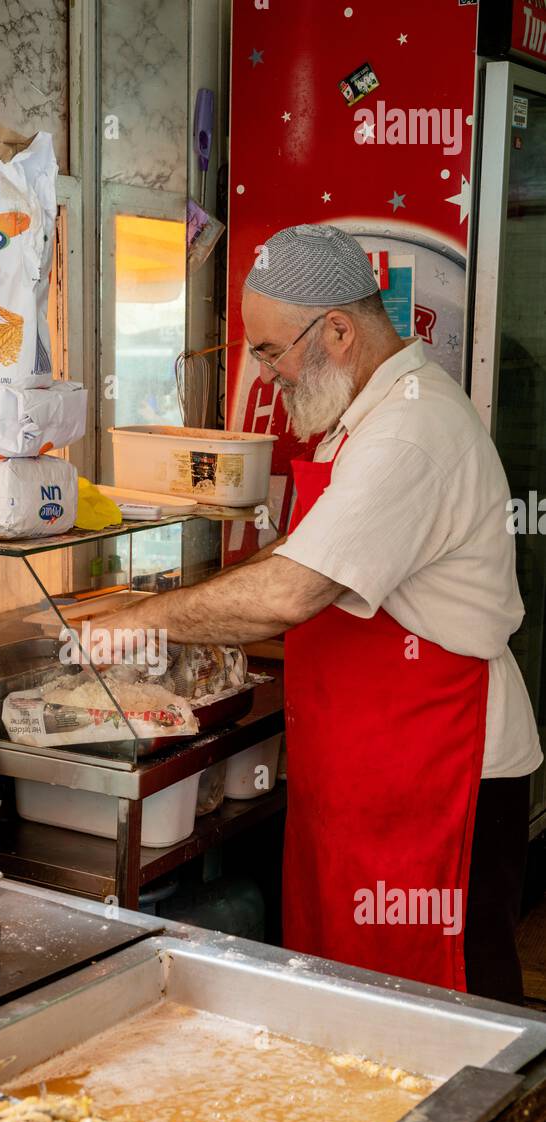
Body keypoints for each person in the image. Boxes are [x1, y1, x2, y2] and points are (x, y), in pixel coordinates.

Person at [90, 224, 542, 1003]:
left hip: (442, 769)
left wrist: (141, 620)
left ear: (338, 329)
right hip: (373, 765)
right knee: (355, 996)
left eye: (270, 352)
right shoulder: (366, 416)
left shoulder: (409, 431)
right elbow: (303, 555)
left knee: (444, 1008)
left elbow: (295, 591)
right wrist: (157, 603)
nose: (267, 376)